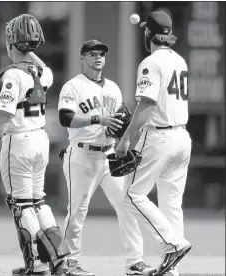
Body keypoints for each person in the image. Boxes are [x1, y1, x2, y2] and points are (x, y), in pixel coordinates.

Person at [0, 14, 69, 276]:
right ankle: (58, 260)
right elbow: (44, 67)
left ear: (10, 43)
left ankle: (36, 265)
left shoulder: (13, 76)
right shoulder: (39, 73)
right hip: (40, 140)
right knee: (38, 202)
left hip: (19, 143)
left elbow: (3, 116)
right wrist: (30, 54)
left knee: (22, 205)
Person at [58, 39, 153, 276]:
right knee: (77, 210)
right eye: (92, 53)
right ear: (83, 58)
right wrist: (97, 120)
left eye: (102, 53)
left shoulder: (113, 88)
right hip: (81, 154)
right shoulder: (73, 86)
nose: (98, 57)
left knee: (126, 205)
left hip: (109, 155)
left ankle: (135, 262)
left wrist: (123, 136)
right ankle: (69, 262)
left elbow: (119, 120)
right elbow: (65, 118)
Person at [115, 11, 192, 276]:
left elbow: (147, 104)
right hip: (182, 137)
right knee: (171, 203)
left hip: (160, 137)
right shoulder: (180, 60)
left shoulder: (151, 62)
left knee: (131, 196)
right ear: (169, 34)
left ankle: (173, 244)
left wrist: (126, 139)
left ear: (149, 34)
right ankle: (173, 270)